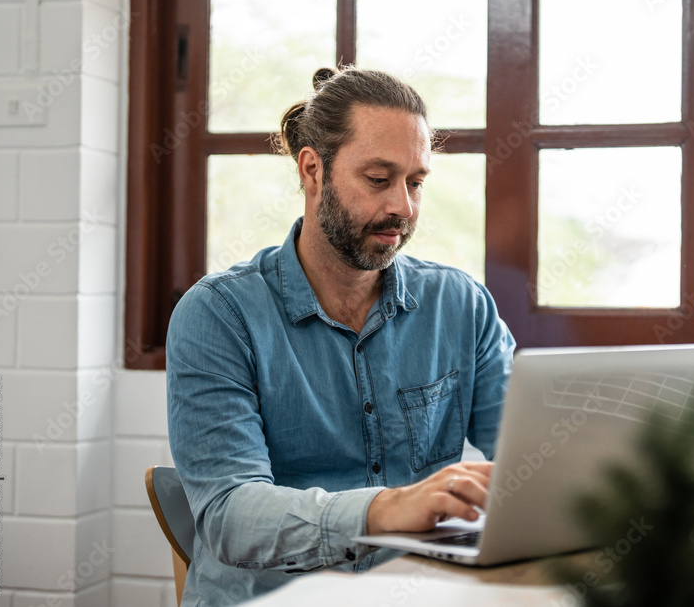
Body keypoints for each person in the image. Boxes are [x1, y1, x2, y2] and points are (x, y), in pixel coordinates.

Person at [166, 67, 516, 605]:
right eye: (378, 179)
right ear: (313, 170)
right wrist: (386, 510)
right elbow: (229, 515)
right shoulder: (218, 315)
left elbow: (528, 460)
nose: (403, 206)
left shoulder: (462, 306)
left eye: (416, 182)